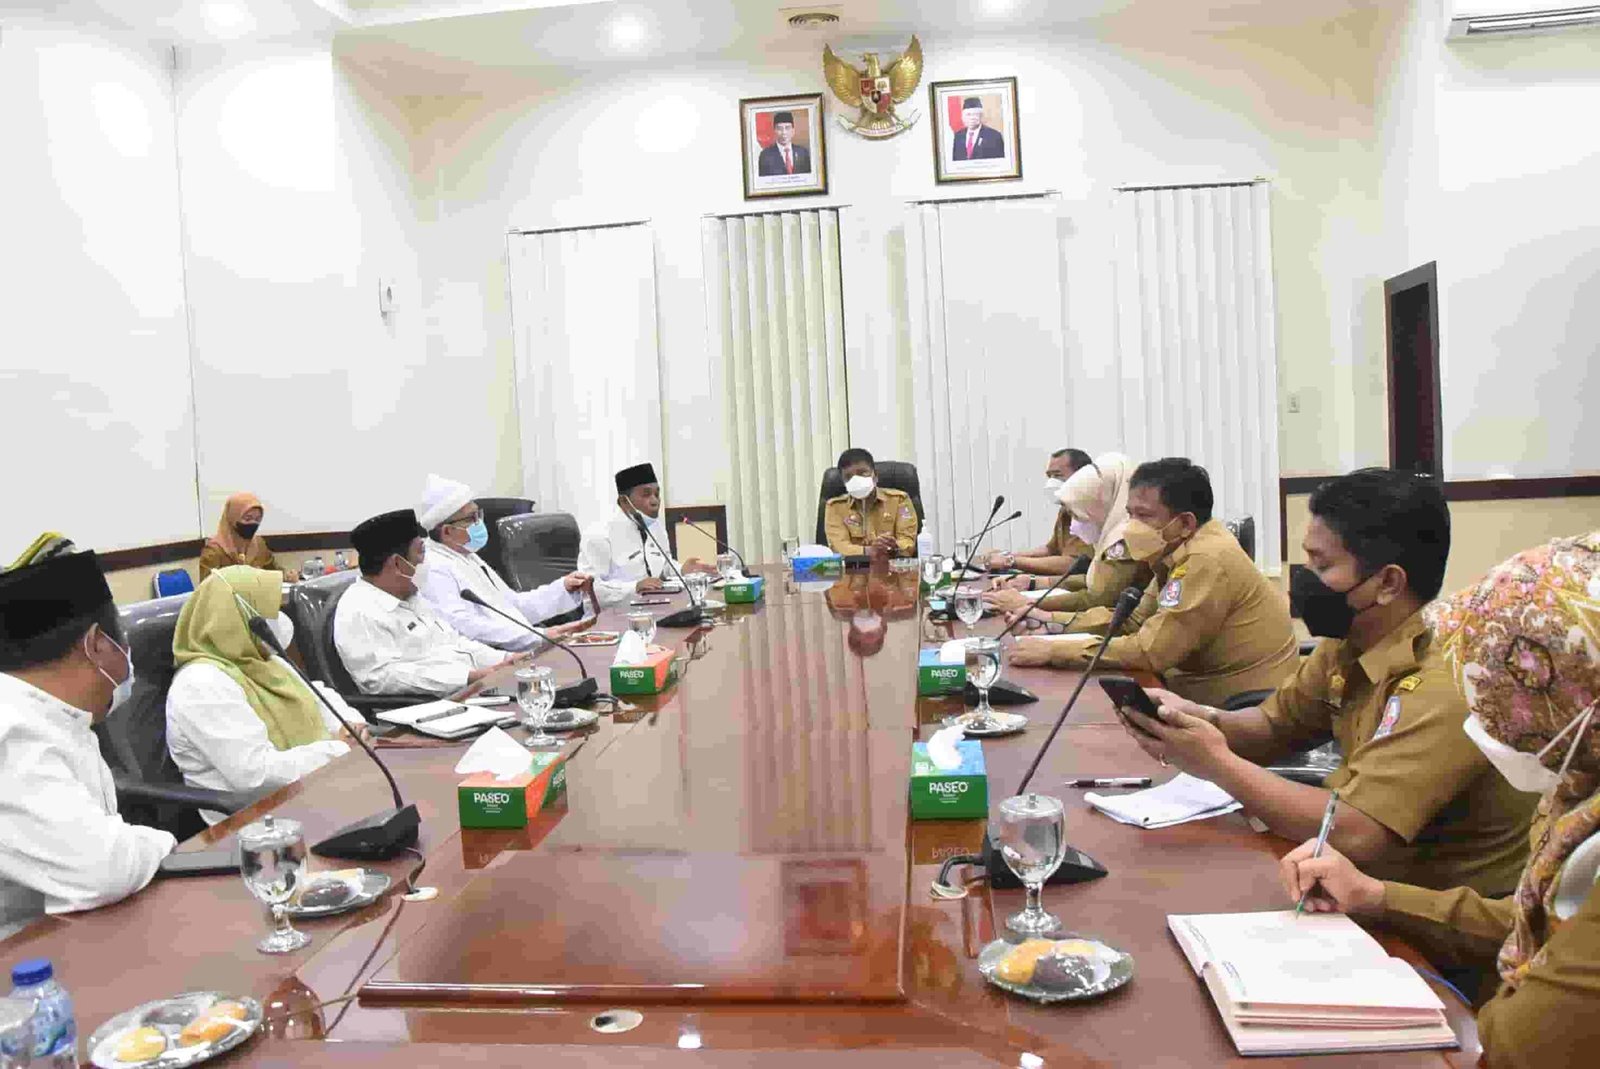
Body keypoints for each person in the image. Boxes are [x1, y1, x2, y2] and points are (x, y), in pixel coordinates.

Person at [1113, 469, 1536, 898]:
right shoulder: (1350, 640)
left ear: (1388, 583)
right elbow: (1274, 727)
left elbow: (1358, 833)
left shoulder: (1443, 681)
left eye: (1323, 565)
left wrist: (1215, 761)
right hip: (1347, 884)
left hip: (1424, 916)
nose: (1304, 579)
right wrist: (1200, 720)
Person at [1275, 532, 1600, 1065]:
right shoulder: (1575, 793)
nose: (1486, 723)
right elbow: (1524, 921)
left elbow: (1517, 1039)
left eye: (1506, 700)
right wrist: (1377, 897)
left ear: (1574, 696)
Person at [1010, 457, 1297, 705]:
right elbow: (1133, 621)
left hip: (1238, 708)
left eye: (1144, 515)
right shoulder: (1173, 549)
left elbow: (1150, 651)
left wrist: (1054, 650)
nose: (1131, 526)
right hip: (1187, 689)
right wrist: (1051, 623)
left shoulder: (1205, 559)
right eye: (1130, 514)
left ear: (1185, 522)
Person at [0, 552, 174, 938]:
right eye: (123, 641)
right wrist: (162, 842)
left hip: (63, 934)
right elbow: (103, 868)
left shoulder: (58, 716)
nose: (129, 657)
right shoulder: (12, 732)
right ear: (96, 644)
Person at [166, 567, 365, 823]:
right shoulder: (200, 684)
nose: (280, 619)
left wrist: (349, 725)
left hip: (315, 789)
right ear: (238, 619)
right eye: (272, 611)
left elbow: (319, 697)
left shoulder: (263, 662)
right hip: (257, 822)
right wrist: (338, 750)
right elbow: (255, 774)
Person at [334, 509, 528, 696]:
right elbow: (381, 678)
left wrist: (505, 660)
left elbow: (454, 642)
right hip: (423, 707)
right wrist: (467, 677)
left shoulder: (411, 595)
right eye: (421, 553)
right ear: (397, 564)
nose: (426, 562)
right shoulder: (360, 610)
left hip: (470, 691)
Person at [415, 474, 593, 651]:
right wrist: (538, 636)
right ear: (447, 531)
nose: (479, 522)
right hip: (489, 658)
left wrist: (563, 588)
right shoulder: (433, 568)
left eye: (478, 514)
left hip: (516, 649)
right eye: (471, 518)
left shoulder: (467, 557)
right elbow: (466, 627)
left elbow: (512, 607)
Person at [984, 452, 1154, 632]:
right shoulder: (1108, 530)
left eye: (1057, 475)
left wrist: (1030, 603)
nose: (1076, 523)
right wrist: (1033, 582)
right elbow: (1092, 580)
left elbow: (1099, 598)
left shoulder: (1123, 538)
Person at [578, 463, 714, 608]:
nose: (655, 501)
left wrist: (682, 569)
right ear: (624, 501)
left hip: (653, 609)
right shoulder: (599, 534)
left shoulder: (656, 527)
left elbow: (662, 568)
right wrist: (635, 587)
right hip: (610, 616)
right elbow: (591, 589)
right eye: (646, 494)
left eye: (657, 494)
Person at [981, 448, 1096, 575]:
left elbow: (1073, 564)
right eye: (1049, 476)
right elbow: (1051, 550)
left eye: (1057, 475)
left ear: (1081, 476)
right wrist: (1007, 556)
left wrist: (1011, 561)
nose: (1051, 482)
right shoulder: (1066, 509)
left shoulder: (1090, 511)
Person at [823, 448, 919, 558]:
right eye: (848, 477)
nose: (856, 480)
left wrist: (895, 547)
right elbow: (839, 547)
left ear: (875, 476)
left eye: (862, 473)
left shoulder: (899, 500)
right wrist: (870, 551)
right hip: (854, 566)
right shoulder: (835, 507)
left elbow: (908, 543)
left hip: (891, 563)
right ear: (843, 482)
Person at [200, 492, 295, 580]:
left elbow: (274, 571)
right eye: (247, 518)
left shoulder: (259, 544)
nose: (253, 523)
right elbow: (207, 587)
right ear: (233, 518)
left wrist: (287, 575)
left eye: (257, 519)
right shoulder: (214, 551)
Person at [757, 111, 811, 176]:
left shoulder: (802, 152)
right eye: (780, 129)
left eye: (787, 128)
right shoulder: (765, 155)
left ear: (793, 131)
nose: (784, 132)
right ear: (774, 131)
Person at [952, 97, 1005, 161]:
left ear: (981, 116)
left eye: (975, 114)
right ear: (963, 117)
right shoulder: (958, 136)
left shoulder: (994, 136)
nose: (972, 118)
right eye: (968, 115)